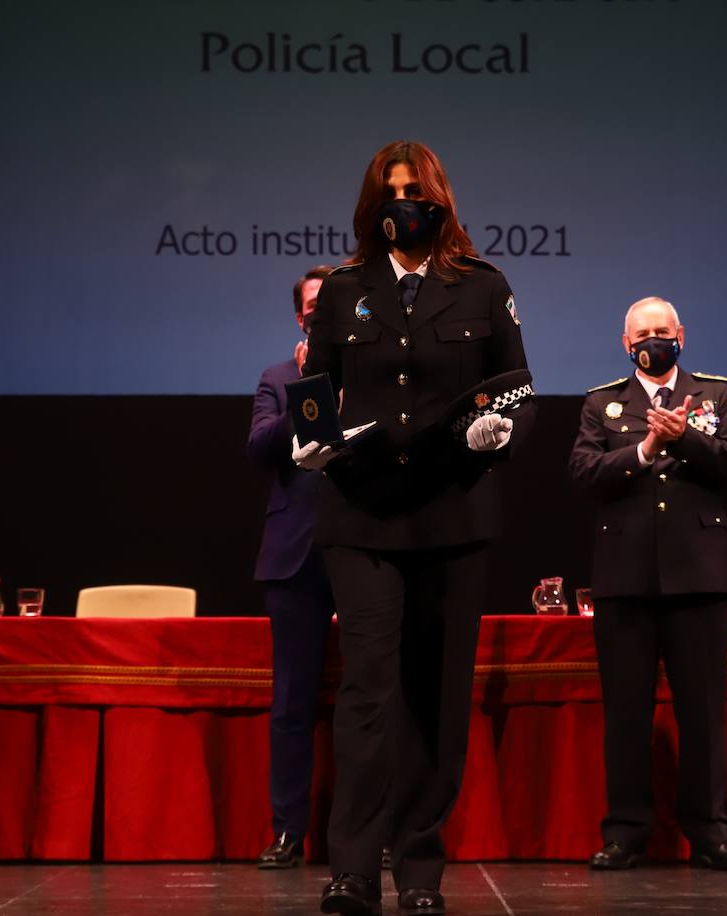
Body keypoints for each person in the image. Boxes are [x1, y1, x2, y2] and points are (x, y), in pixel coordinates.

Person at [297, 140, 534, 916]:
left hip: (452, 516)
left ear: (440, 200)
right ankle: (353, 870)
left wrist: (497, 432)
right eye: (392, 192)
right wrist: (318, 446)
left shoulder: (483, 286)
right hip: (360, 517)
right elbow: (314, 396)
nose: (407, 205)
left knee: (436, 693)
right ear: (374, 204)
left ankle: (421, 872)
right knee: (367, 692)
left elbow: (516, 392)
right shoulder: (342, 289)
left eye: (418, 192)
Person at [568, 296, 727, 872]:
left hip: (699, 575)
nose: (653, 340)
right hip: (624, 579)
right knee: (626, 714)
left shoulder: (715, 395)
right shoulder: (604, 403)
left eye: (662, 331)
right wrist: (645, 448)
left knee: (702, 713)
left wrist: (686, 438)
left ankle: (711, 833)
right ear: (626, 345)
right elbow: (583, 473)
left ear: (681, 336)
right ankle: (625, 832)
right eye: (642, 334)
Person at [247, 265, 337, 868]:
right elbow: (259, 449)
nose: (319, 311)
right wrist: (309, 389)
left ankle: (372, 834)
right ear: (297, 316)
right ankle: (287, 831)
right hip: (295, 555)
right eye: (311, 305)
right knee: (292, 704)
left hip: (364, 548)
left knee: (372, 701)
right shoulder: (279, 377)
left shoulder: (377, 376)